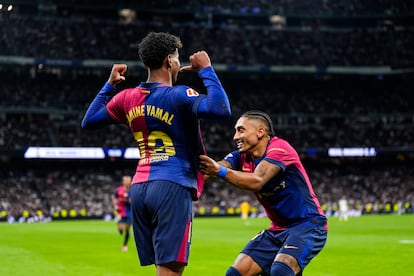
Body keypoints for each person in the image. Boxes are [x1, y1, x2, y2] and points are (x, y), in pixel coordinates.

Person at [81, 32, 231, 275]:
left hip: (140, 188)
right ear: (170, 61)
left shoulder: (126, 97)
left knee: (162, 269)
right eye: (177, 58)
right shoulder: (179, 95)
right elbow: (221, 109)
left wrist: (109, 85)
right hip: (172, 184)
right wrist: (207, 70)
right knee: (171, 270)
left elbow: (89, 121)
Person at [199, 110, 327, 276]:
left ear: (261, 132)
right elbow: (217, 167)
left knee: (280, 270)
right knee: (235, 274)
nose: (235, 137)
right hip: (277, 229)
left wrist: (219, 171)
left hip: (308, 225)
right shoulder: (241, 156)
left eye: (241, 130)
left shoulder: (280, 148)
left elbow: (257, 181)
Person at [112, 175, 132, 252]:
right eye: (126, 181)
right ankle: (120, 230)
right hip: (120, 211)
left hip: (129, 212)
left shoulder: (132, 190)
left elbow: (133, 201)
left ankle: (124, 245)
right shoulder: (119, 189)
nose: (127, 182)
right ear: (123, 182)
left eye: (128, 181)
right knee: (120, 229)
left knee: (127, 229)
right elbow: (114, 197)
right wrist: (115, 205)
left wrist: (129, 199)